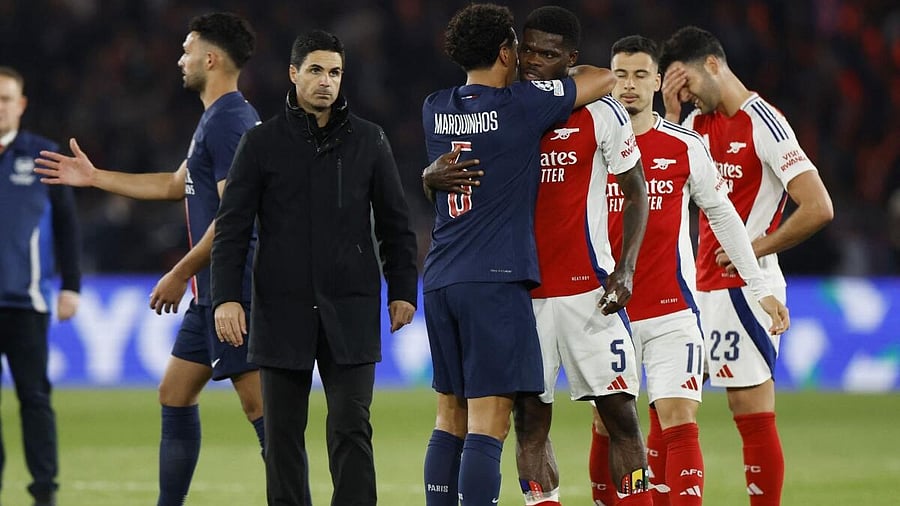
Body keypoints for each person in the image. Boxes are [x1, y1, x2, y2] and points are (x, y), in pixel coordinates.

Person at [33, 13, 263, 506]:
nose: (179, 59)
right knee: (175, 393)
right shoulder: (215, 119)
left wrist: (181, 272)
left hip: (236, 292)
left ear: (210, 58)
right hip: (212, 294)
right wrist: (95, 178)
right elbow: (173, 185)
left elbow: (235, 217)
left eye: (187, 49)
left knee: (263, 413)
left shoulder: (231, 123)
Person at [420, 4, 628, 505]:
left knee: (449, 416)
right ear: (504, 52)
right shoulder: (522, 104)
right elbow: (602, 77)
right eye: (518, 46)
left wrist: (427, 177)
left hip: (441, 276)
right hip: (493, 280)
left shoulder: (434, 105)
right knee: (488, 425)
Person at [209, 29, 418, 506]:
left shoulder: (369, 140)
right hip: (282, 310)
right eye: (317, 70)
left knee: (351, 428)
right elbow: (233, 229)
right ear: (293, 73)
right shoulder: (260, 143)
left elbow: (395, 223)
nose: (327, 81)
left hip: (351, 308)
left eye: (336, 72)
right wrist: (225, 298)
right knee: (282, 436)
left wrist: (403, 289)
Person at [587, 35, 790, 506]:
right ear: (607, 80)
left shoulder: (685, 145)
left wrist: (758, 284)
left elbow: (723, 216)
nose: (630, 85)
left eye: (641, 75)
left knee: (680, 418)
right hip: (606, 311)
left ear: (658, 82)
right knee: (611, 426)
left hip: (673, 311)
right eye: (620, 74)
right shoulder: (591, 143)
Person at [658, 26, 833, 505]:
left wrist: (754, 248)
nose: (686, 95)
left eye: (687, 83)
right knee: (667, 410)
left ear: (713, 64)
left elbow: (818, 206)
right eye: (676, 90)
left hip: (743, 292)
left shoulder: (765, 124)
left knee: (749, 410)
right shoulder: (691, 127)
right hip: (691, 291)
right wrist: (671, 116)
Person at [0, 66, 80, 506]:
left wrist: (72, 285)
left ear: (22, 104)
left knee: (35, 399)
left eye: (6, 98)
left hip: (26, 302)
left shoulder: (43, 156)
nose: (0, 106)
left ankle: (44, 493)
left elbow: (68, 226)